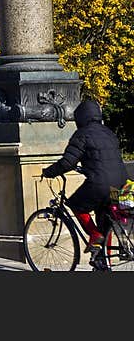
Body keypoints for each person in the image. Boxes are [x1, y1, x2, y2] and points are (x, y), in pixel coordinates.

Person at [41, 99, 128, 254]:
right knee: (105, 221)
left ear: (80, 117)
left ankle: (94, 235)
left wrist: (49, 172)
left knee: (76, 204)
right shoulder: (108, 132)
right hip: (120, 183)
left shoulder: (82, 134)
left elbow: (67, 162)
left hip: (100, 183)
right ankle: (104, 261)